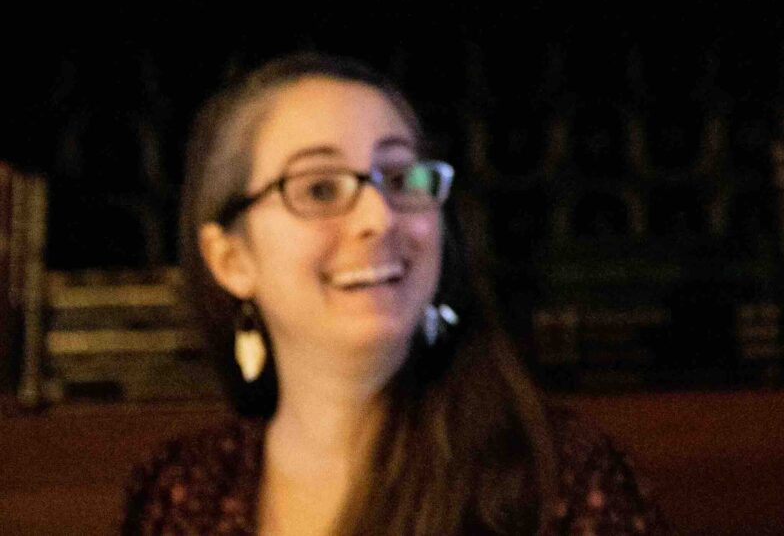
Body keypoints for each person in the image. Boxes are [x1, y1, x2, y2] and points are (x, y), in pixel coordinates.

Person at [125, 52, 668, 536]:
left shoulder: (561, 478)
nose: (378, 217)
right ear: (232, 260)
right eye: (319, 188)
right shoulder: (180, 491)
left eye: (401, 178)